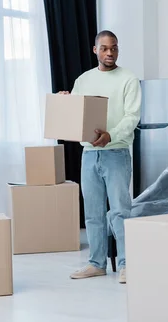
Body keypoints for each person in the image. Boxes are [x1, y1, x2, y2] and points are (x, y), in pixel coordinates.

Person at [60, 30, 141, 284]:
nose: (110, 53)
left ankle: (128, 264)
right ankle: (96, 263)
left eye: (114, 48)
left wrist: (111, 136)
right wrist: (64, 102)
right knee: (93, 213)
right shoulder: (83, 80)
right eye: (104, 48)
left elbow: (132, 117)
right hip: (89, 153)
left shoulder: (128, 79)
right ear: (95, 50)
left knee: (119, 211)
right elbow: (75, 112)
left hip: (116, 152)